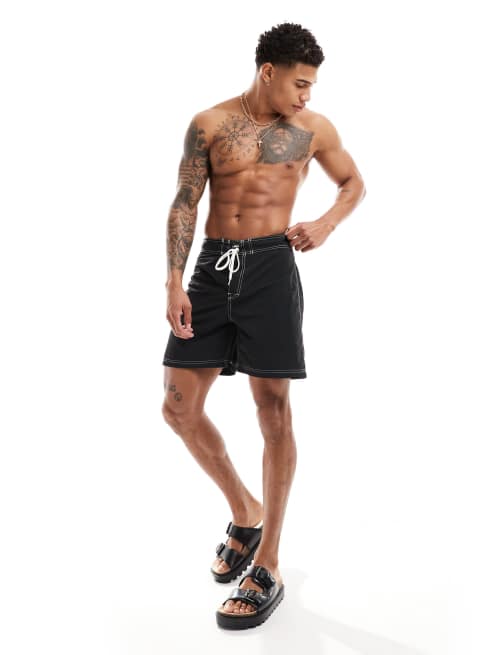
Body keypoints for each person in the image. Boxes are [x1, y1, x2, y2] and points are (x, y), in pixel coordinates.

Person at [161, 22, 366, 630]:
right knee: (177, 407)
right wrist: (173, 281)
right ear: (267, 72)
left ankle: (268, 561)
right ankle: (245, 511)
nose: (307, 95)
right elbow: (185, 201)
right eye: (300, 83)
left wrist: (325, 223)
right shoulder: (209, 123)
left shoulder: (313, 129)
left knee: (272, 409)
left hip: (271, 267)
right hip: (211, 267)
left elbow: (354, 183)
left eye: (313, 86)